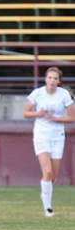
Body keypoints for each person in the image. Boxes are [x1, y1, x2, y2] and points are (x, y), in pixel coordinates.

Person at [23, 67, 75, 217]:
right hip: (41, 135)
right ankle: (48, 207)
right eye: (50, 78)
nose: (52, 81)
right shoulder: (37, 94)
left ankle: (45, 192)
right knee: (47, 171)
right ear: (46, 79)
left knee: (53, 176)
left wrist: (56, 119)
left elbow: (72, 117)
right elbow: (26, 113)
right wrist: (37, 113)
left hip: (57, 136)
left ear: (59, 81)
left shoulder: (64, 95)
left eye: (55, 78)